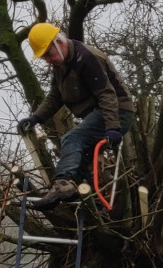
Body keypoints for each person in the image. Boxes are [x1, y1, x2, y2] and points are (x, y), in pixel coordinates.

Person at [15, 22, 134, 208]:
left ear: (59, 43)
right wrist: (35, 118)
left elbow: (106, 94)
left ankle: (62, 184)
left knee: (73, 138)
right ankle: (88, 197)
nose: (48, 60)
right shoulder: (61, 64)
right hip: (100, 113)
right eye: (44, 57)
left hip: (117, 111)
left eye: (48, 54)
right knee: (83, 154)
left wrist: (112, 127)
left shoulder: (87, 57)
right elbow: (55, 96)